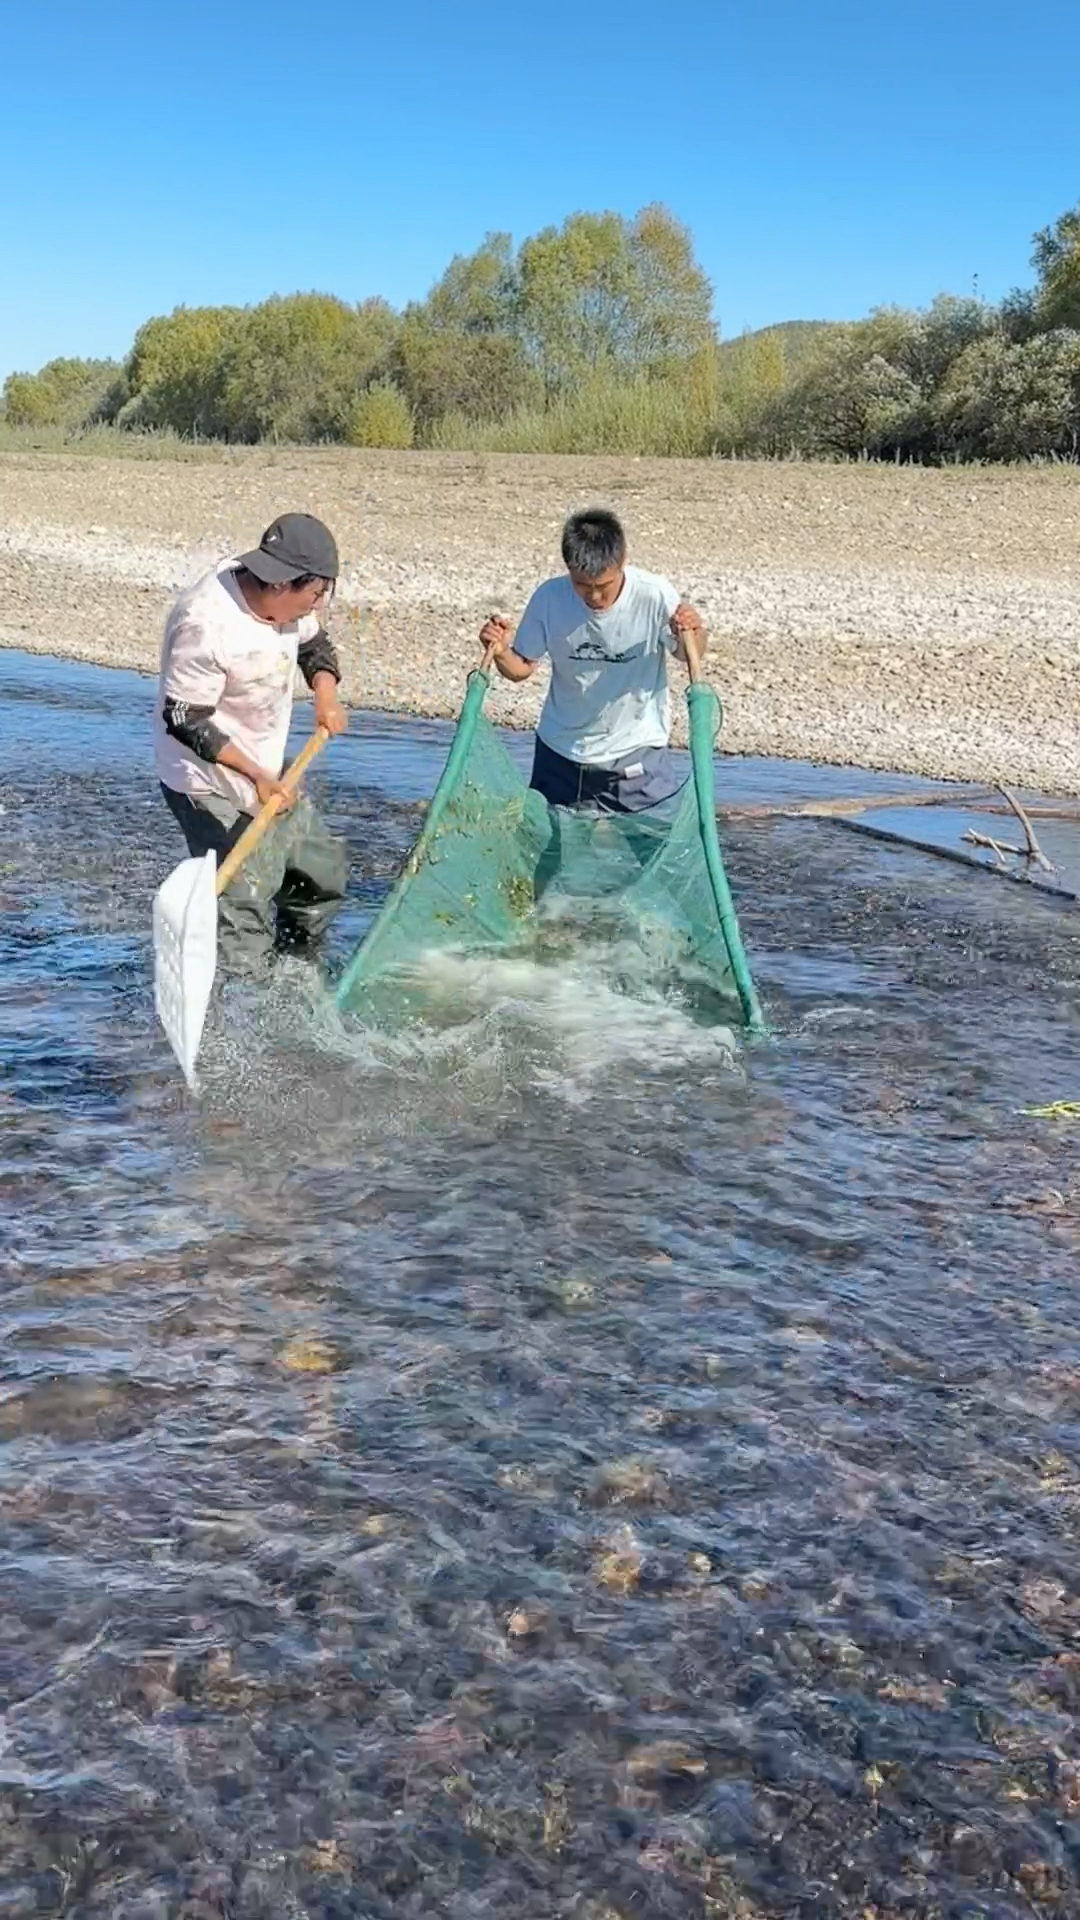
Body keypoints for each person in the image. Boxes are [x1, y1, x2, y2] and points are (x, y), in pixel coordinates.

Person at [154, 512, 350, 978]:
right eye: (316, 592)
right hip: (205, 782)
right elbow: (185, 718)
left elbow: (314, 646)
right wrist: (258, 776)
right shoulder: (206, 624)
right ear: (281, 583)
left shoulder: (288, 605)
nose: (319, 604)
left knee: (321, 874)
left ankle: (299, 974)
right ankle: (245, 1013)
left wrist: (325, 694)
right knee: (245, 904)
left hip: (265, 767)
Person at [479, 507, 706, 815]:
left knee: (655, 847)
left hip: (636, 753)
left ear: (623, 560)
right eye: (583, 586)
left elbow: (685, 653)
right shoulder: (549, 598)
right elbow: (520, 668)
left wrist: (693, 629)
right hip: (561, 753)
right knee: (551, 853)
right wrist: (502, 650)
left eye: (604, 586)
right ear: (569, 568)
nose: (595, 597)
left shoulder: (654, 595)